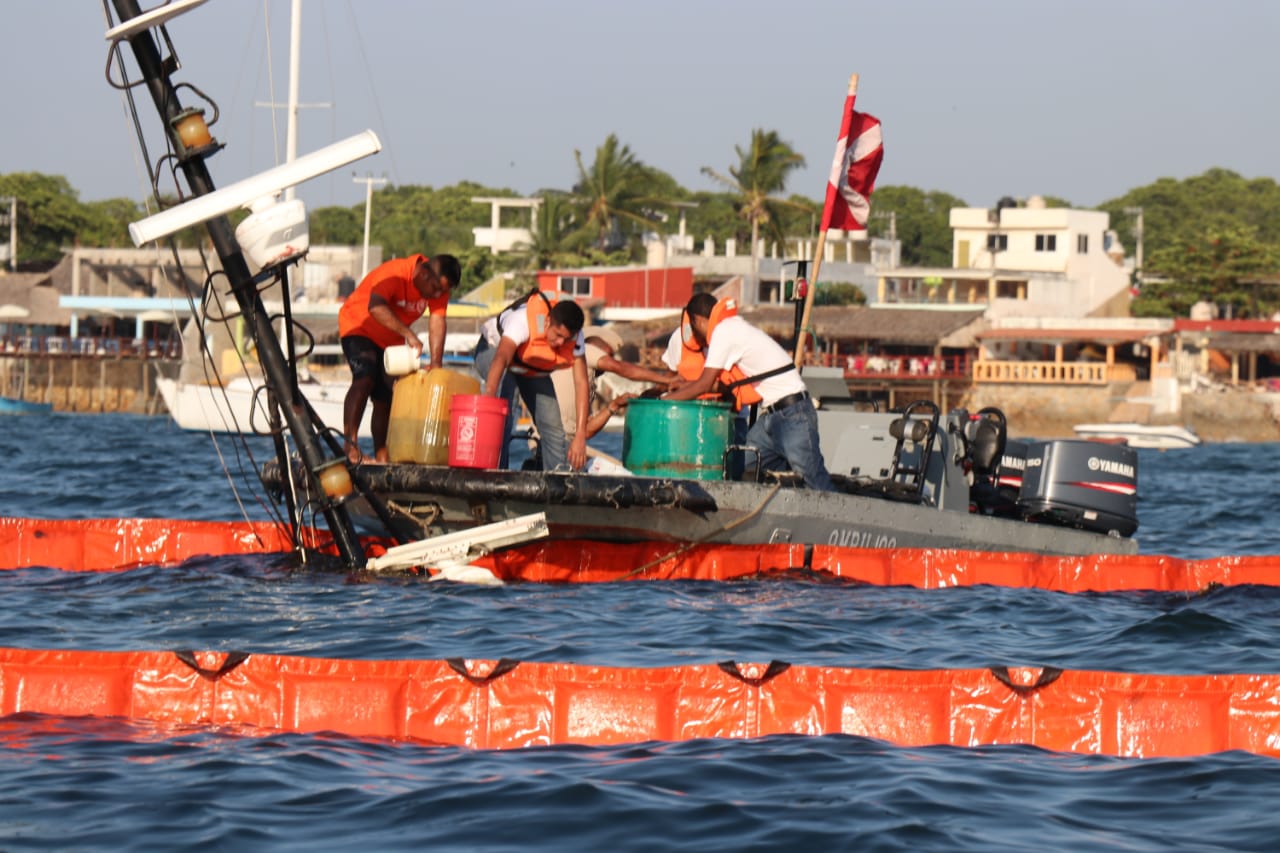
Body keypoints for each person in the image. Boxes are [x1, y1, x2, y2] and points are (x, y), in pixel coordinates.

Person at [663, 292, 834, 491]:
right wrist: (682, 389)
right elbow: (719, 385)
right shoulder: (731, 327)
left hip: (793, 414)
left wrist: (664, 401)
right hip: (770, 417)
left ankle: (844, 520)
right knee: (740, 467)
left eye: (692, 329)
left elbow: (703, 384)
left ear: (698, 320)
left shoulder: (723, 332)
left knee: (816, 482)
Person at [338, 253, 461, 463]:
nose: (438, 294)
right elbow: (375, 307)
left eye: (443, 291)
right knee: (365, 377)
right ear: (423, 274)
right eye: (435, 288)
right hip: (358, 326)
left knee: (387, 397)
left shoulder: (439, 287)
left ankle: (382, 455)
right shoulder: (395, 273)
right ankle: (350, 448)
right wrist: (409, 335)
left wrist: (436, 364)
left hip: (390, 338)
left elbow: (437, 321)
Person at [474, 290, 589, 471]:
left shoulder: (575, 338)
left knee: (553, 426)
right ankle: (495, 471)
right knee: (505, 409)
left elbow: (582, 382)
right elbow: (502, 359)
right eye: (557, 335)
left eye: (565, 339)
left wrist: (581, 435)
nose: (560, 343)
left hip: (528, 368)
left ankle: (557, 481)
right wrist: (489, 396)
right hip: (492, 352)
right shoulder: (522, 322)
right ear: (548, 320)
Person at [550, 325, 677, 445]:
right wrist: (667, 381)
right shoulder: (585, 350)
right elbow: (621, 368)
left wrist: (614, 405)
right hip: (555, 442)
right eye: (609, 355)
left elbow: (586, 432)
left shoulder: (587, 385)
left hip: (567, 443)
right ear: (597, 349)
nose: (610, 360)